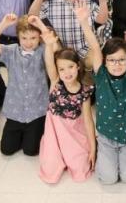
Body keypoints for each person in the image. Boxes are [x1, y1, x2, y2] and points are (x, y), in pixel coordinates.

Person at [79, 3, 126, 185]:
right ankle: (107, 156)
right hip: (106, 136)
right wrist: (84, 22)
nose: (116, 64)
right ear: (105, 62)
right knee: (108, 179)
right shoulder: (101, 75)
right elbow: (95, 47)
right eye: (112, 60)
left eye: (121, 59)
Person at [0, 15, 48, 157]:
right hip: (15, 111)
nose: (28, 42)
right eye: (24, 38)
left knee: (30, 151)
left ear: (40, 37)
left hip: (36, 111)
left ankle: (36, 131)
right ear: (18, 36)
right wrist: (3, 24)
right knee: (6, 150)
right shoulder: (11, 51)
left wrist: (41, 25)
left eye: (33, 38)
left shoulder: (44, 51)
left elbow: (55, 47)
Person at [38, 30, 95, 183]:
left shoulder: (84, 91)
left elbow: (88, 121)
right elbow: (49, 62)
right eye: (62, 69)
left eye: (70, 67)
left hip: (74, 132)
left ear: (77, 66)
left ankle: (76, 154)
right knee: (50, 168)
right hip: (54, 132)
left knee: (81, 169)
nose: (66, 72)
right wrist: (49, 45)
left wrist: (93, 148)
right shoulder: (56, 82)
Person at [30, 0, 109, 58]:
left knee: (96, 57)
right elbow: (32, 16)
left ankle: (89, 70)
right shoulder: (52, 1)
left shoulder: (87, 1)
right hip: (63, 54)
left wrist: (103, 1)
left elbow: (102, 20)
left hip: (86, 51)